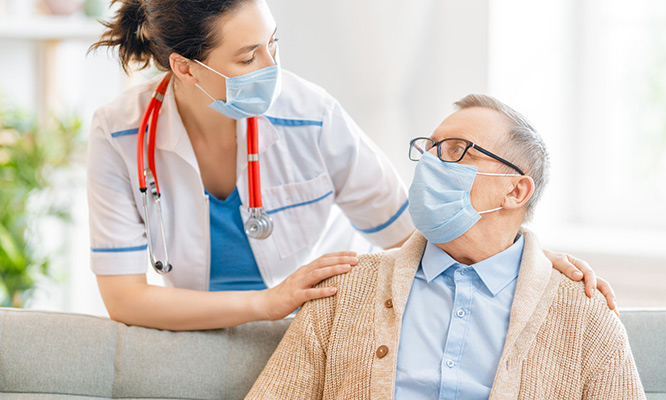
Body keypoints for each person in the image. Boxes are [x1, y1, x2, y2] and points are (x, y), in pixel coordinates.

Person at [87, 0, 613, 331]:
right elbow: (125, 299)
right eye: (247, 58)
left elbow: (415, 226)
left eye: (273, 44)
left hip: (320, 330)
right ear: (185, 67)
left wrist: (528, 258)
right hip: (195, 337)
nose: (273, 69)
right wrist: (265, 304)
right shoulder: (118, 133)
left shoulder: (309, 114)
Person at [245, 94, 644, 399]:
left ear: (516, 190)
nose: (431, 162)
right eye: (430, 148)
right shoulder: (344, 289)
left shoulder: (584, 314)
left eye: (456, 150)